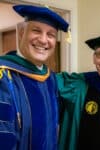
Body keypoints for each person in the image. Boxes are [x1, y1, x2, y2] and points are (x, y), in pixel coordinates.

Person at [0, 4, 68, 150]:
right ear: (21, 33)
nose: (44, 40)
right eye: (36, 31)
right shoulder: (4, 76)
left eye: (50, 34)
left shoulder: (50, 78)